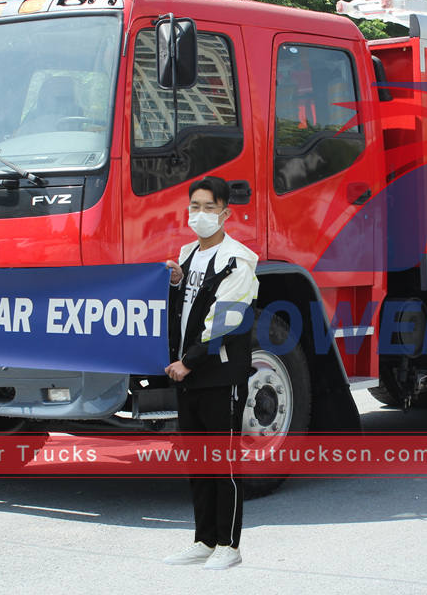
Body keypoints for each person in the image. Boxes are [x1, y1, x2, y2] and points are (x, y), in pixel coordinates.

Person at [162, 176, 259, 571]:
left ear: (225, 213)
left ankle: (228, 545)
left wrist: (189, 361)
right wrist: (172, 283)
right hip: (189, 377)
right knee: (198, 462)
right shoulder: (186, 256)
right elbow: (181, 310)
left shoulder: (239, 260)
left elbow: (224, 322)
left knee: (224, 463)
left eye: (208, 208)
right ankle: (203, 540)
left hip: (218, 375)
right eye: (194, 207)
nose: (200, 215)